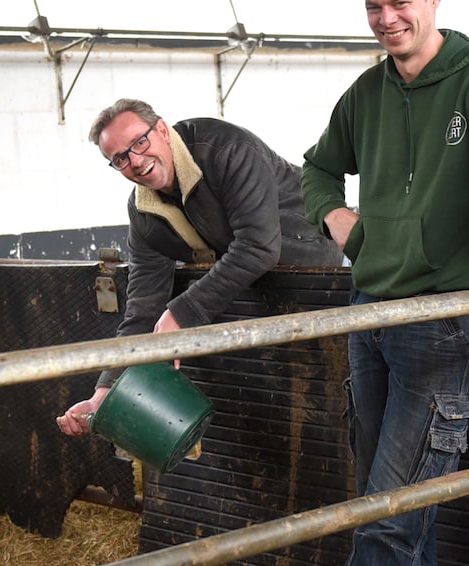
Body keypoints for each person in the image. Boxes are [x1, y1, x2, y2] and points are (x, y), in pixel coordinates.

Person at [299, 0, 469, 564]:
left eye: (400, 1)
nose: (387, 18)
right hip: (370, 314)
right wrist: (344, 226)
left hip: (441, 321)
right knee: (389, 508)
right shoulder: (365, 94)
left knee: (387, 519)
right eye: (373, 6)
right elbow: (317, 169)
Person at [56, 98, 344, 436]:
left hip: (316, 274)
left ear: (162, 129)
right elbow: (144, 307)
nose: (135, 161)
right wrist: (105, 391)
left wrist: (182, 313)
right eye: (120, 158)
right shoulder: (144, 213)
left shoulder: (225, 149)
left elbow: (259, 246)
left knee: (324, 402)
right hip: (250, 289)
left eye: (139, 142)